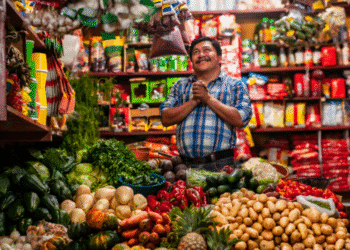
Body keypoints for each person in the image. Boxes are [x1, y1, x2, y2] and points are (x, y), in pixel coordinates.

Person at [160, 36, 252, 172]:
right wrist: (194, 101)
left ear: (220, 57)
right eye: (196, 52)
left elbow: (240, 119)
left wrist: (207, 99)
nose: (201, 55)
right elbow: (165, 118)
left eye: (207, 50)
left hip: (221, 165)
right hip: (184, 166)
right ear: (191, 60)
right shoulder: (180, 85)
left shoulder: (235, 85)